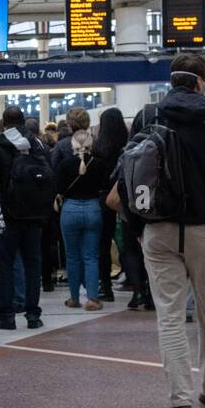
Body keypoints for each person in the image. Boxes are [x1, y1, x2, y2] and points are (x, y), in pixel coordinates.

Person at [125, 53, 205, 408]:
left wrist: (138, 227)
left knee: (170, 316)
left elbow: (126, 173)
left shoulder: (147, 115)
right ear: (201, 80)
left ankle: (179, 400)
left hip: (158, 227)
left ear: (171, 79)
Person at [0, 105, 50, 329]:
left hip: (5, 218)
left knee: (4, 265)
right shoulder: (38, 144)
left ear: (3, 124)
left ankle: (7, 316)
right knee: (33, 265)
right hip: (34, 217)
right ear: (24, 122)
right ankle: (33, 315)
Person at [55, 126, 106, 310]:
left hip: (70, 211)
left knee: (72, 257)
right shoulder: (99, 163)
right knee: (91, 257)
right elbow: (104, 185)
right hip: (93, 209)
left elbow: (58, 189)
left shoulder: (64, 165)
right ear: (91, 144)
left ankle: (74, 298)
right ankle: (92, 298)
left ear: (73, 145)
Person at [93, 107, 127, 302]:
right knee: (130, 243)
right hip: (125, 197)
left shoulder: (98, 149)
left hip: (104, 198)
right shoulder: (129, 145)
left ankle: (106, 287)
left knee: (103, 245)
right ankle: (139, 287)